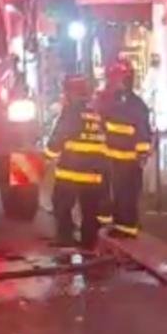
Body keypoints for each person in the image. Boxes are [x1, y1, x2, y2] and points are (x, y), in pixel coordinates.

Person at [46, 74, 107, 250]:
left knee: (61, 204)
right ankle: (89, 243)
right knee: (90, 209)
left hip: (71, 171)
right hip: (94, 173)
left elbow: (60, 135)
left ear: (71, 92)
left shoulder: (71, 112)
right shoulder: (97, 112)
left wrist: (49, 154)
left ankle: (65, 238)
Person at [100, 59, 153, 238]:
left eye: (114, 79)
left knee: (127, 194)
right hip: (114, 158)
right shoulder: (113, 101)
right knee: (118, 193)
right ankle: (119, 224)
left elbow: (142, 132)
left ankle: (127, 228)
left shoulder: (135, 105)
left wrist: (141, 155)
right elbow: (104, 125)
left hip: (128, 160)